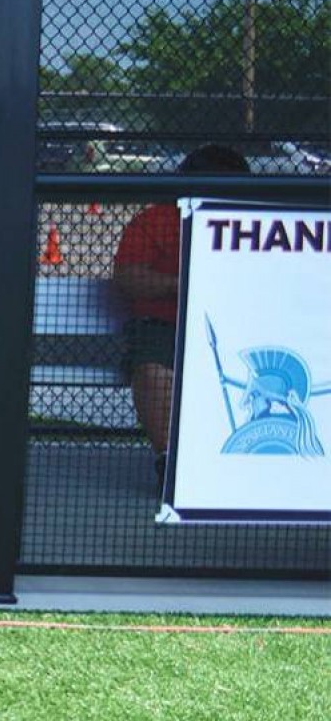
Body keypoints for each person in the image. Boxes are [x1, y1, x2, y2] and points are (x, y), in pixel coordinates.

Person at [112, 144, 250, 477]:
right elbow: (128, 278)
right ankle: (171, 463)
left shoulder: (255, 222)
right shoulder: (157, 219)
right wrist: (182, 285)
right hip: (166, 323)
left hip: (242, 324)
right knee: (151, 370)